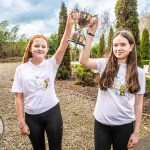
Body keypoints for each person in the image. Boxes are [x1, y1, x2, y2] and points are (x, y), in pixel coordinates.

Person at [11, 10, 77, 150]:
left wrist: (69, 24)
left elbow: (63, 44)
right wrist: (22, 123)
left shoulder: (51, 64)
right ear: (30, 49)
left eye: (43, 46)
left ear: (47, 50)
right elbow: (19, 98)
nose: (40, 48)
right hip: (32, 118)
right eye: (36, 46)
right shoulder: (21, 69)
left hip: (52, 113)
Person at [79, 17, 145, 150]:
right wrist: (91, 34)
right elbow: (83, 60)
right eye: (115, 45)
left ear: (131, 47)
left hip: (124, 125)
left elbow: (138, 105)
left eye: (123, 44)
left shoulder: (139, 73)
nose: (118, 48)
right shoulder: (104, 64)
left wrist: (136, 132)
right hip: (101, 124)